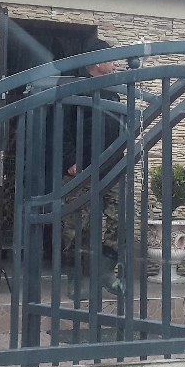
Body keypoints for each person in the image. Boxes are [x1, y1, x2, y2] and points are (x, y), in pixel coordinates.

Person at [61, 37, 125, 295]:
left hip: (112, 168)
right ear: (97, 62)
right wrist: (70, 160)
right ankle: (74, 279)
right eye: (111, 59)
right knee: (76, 226)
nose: (116, 64)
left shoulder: (114, 93)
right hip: (82, 170)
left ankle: (107, 274)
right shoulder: (74, 88)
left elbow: (120, 129)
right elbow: (61, 128)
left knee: (118, 220)